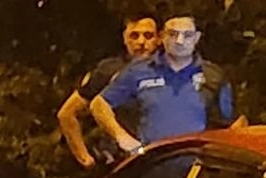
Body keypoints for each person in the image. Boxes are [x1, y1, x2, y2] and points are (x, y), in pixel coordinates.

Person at [90, 12, 246, 155]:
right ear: (162, 37)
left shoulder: (213, 76)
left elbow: (236, 123)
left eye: (187, 35)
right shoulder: (137, 71)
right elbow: (99, 104)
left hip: (196, 167)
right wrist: (123, 138)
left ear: (197, 38)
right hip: (149, 163)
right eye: (173, 34)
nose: (179, 41)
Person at [57, 11, 160, 169]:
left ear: (159, 39)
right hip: (121, 162)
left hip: (162, 155)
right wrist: (85, 158)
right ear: (124, 38)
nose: (141, 42)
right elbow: (67, 114)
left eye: (148, 35)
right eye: (134, 36)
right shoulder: (109, 70)